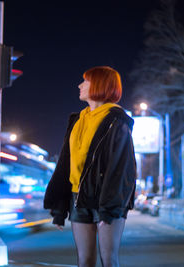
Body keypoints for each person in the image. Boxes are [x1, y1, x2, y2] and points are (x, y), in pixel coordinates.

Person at [44, 66, 137, 267]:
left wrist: (109, 207)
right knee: (84, 261)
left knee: (108, 260)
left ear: (100, 85)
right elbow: (65, 165)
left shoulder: (116, 120)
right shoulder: (78, 120)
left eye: (85, 81)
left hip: (107, 200)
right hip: (79, 198)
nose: (80, 85)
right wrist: (60, 207)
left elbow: (121, 168)